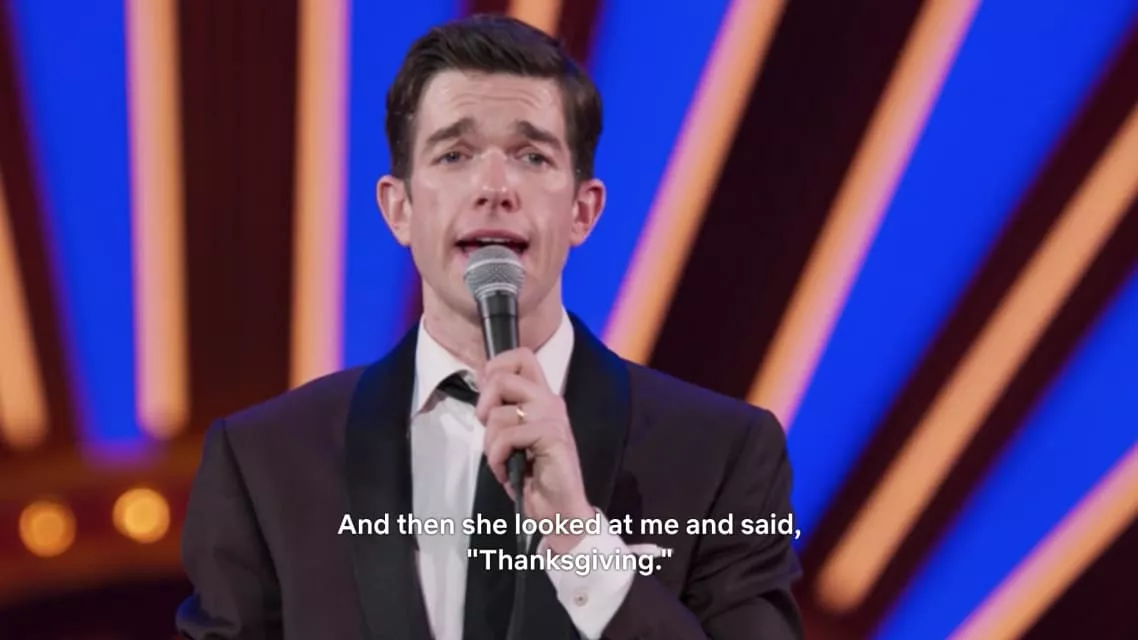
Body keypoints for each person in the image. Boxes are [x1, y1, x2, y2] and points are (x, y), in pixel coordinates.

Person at [175, 14, 802, 640]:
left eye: (532, 156)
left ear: (583, 211)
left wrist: (581, 542)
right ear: (399, 207)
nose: (495, 188)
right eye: (454, 154)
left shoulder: (722, 454)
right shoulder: (265, 461)